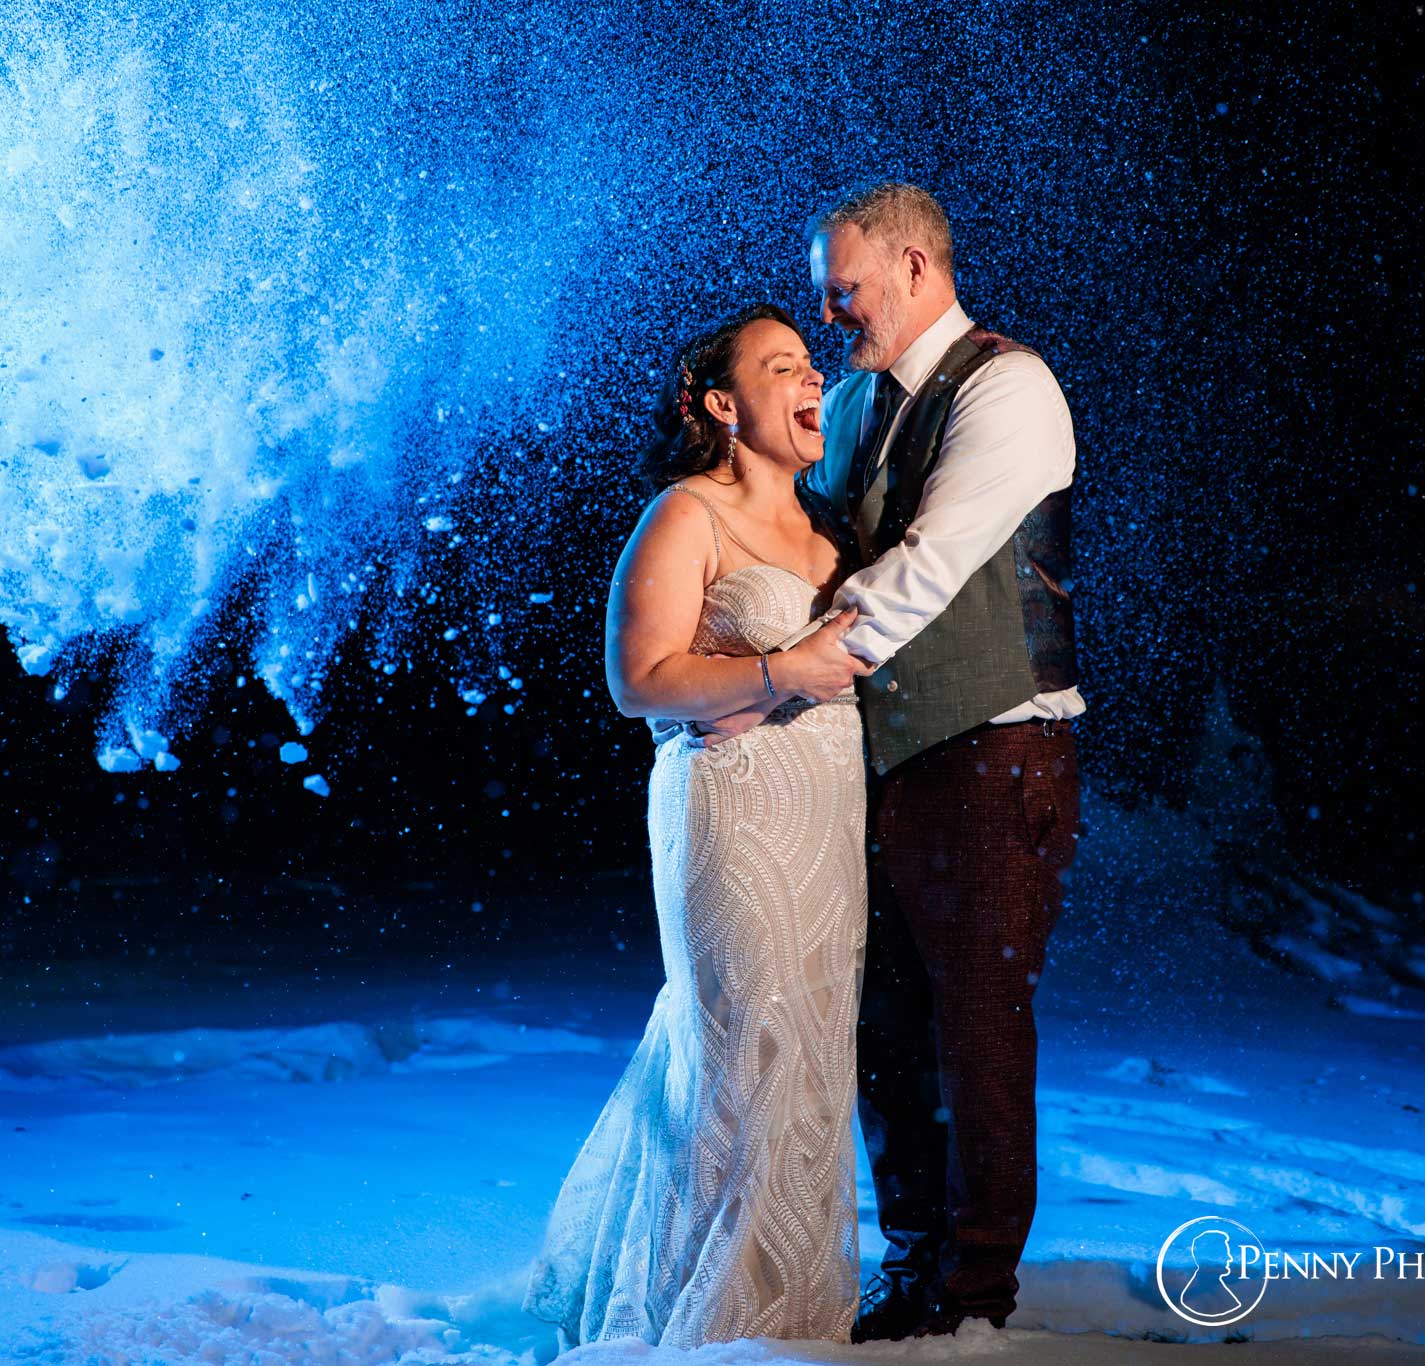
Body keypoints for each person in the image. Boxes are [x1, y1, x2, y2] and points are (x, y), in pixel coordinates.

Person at [711, 182, 1086, 1340]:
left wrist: (779, 671)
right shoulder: (866, 396)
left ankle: (973, 1299)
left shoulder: (1009, 386)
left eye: (847, 291)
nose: (832, 317)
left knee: (974, 1023)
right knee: (883, 1024)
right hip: (886, 760)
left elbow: (924, 566)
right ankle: (915, 1259)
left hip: (995, 746)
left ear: (915, 270)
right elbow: (801, 535)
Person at [520, 302, 874, 1350]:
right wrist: (783, 670)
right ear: (722, 404)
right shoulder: (685, 514)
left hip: (827, 809)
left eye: (812, 365)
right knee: (739, 1040)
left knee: (809, 1048)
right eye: (781, 367)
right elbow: (638, 680)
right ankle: (704, 1313)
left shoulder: (828, 529)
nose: (812, 380)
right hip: (730, 808)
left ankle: (792, 1307)